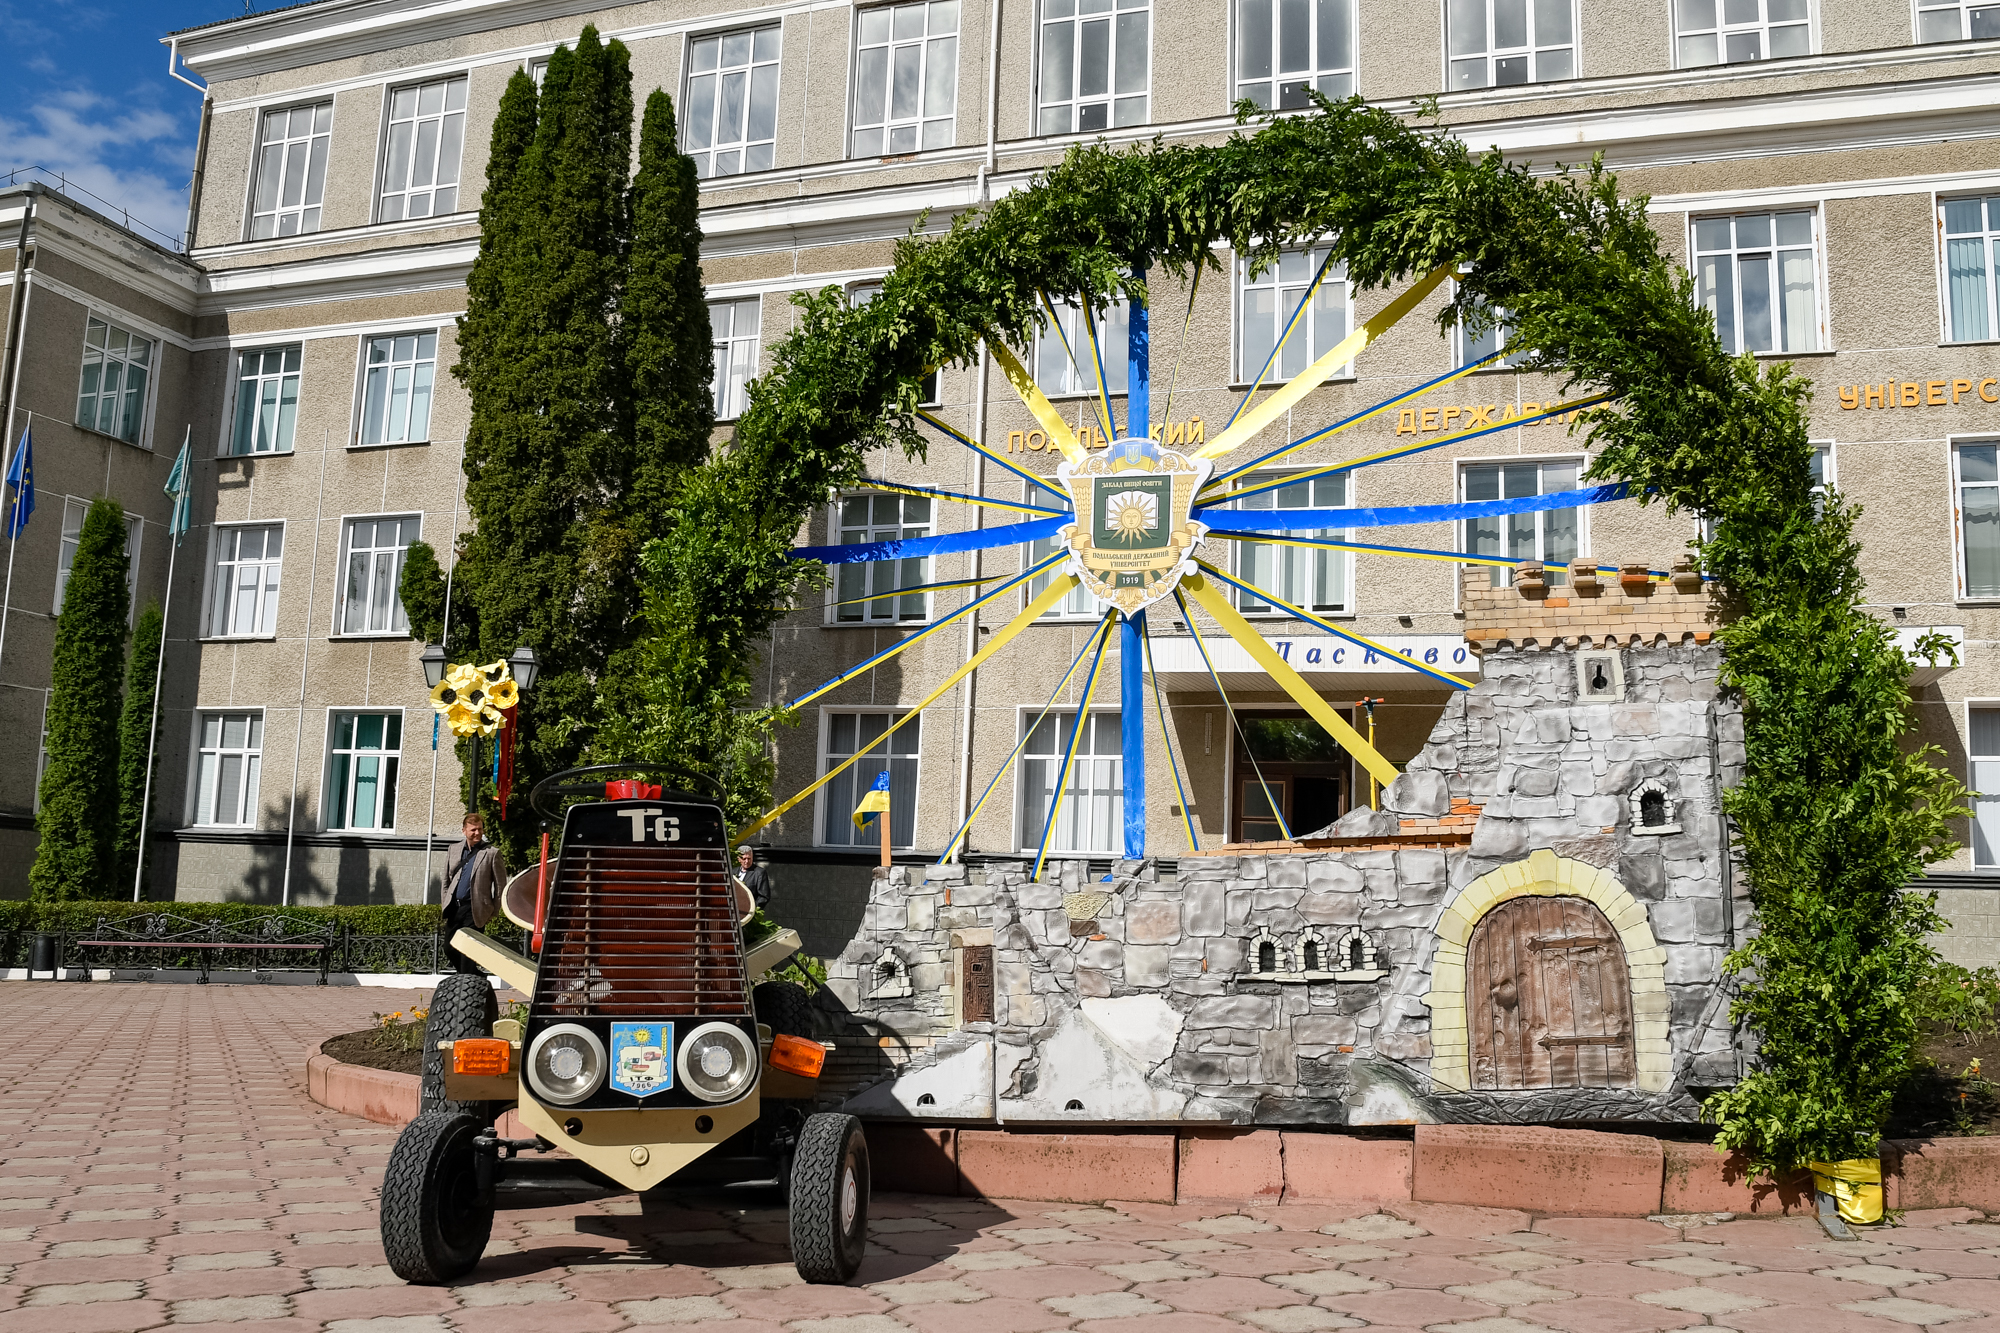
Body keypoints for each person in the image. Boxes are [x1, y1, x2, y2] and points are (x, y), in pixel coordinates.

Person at [441, 812, 506, 973]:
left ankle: (467, 981)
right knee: (449, 948)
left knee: (468, 952)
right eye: (473, 830)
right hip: (455, 908)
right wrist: (445, 903)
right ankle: (475, 977)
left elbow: (500, 886)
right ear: (464, 830)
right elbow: (446, 881)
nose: (477, 833)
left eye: (480, 829)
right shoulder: (453, 849)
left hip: (475, 909)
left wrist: (494, 911)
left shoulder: (492, 853)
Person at [734, 845, 772, 913]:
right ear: (738, 859)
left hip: (749, 912)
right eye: (744, 859)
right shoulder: (733, 872)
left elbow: (764, 896)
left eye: (749, 858)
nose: (747, 861)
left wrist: (753, 910)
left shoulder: (759, 873)